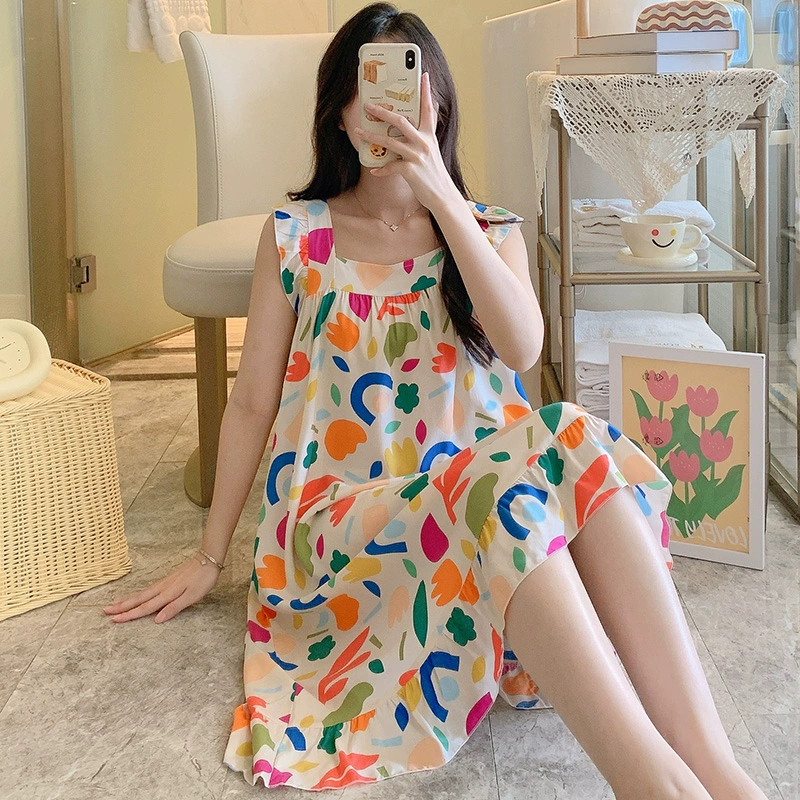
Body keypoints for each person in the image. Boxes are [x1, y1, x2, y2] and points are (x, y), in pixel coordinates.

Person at [102, 4, 769, 798]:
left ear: (440, 106)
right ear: (339, 112)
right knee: (509, 479)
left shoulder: (489, 231)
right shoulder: (295, 235)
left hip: (486, 515)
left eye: (410, 88)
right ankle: (655, 786)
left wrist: (443, 200)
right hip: (350, 526)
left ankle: (719, 774)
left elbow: (523, 349)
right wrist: (209, 557)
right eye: (369, 88)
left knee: (565, 435)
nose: (390, 110)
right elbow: (250, 403)